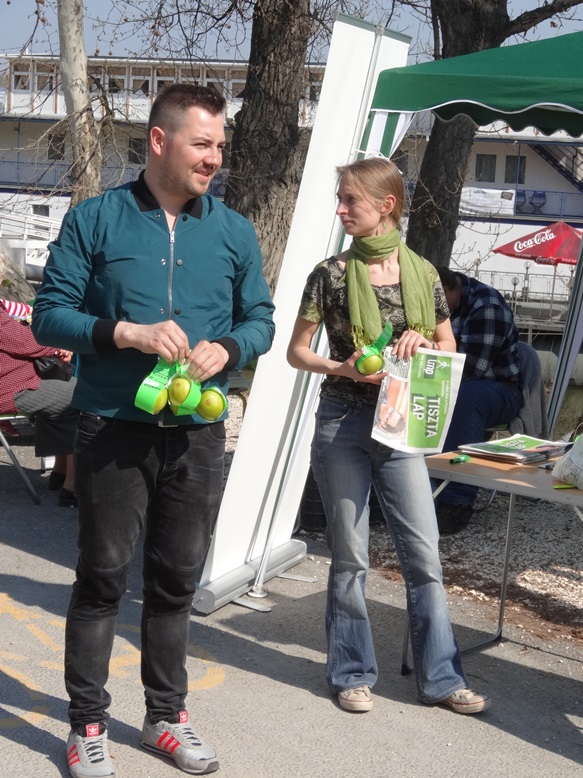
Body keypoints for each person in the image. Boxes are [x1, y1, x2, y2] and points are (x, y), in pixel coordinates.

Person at [32, 84, 275, 777]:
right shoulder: (95, 220)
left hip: (197, 435)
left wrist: (230, 348)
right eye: (203, 144)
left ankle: (166, 717)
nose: (214, 158)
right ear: (161, 142)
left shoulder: (233, 229)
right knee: (102, 578)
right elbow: (49, 315)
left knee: (174, 583)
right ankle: (87, 723)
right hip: (113, 428)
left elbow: (261, 317)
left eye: (220, 146)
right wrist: (123, 332)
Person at [287, 157, 490, 717]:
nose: (341, 209)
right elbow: (297, 352)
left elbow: (449, 350)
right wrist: (344, 369)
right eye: (340, 198)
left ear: (386, 205)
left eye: (351, 199)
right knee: (350, 557)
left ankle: (442, 679)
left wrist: (423, 346)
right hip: (342, 424)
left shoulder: (423, 273)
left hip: (400, 426)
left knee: (424, 556)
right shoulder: (328, 274)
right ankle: (351, 672)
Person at [435, 267, 522, 534]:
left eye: (436, 303)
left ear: (448, 289)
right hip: (455, 381)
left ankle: (457, 499)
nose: (433, 312)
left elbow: (470, 371)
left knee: (465, 397)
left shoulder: (487, 304)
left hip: (499, 389)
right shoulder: (446, 302)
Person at [0, 249, 77, 503]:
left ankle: (60, 472)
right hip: (9, 387)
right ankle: (71, 485)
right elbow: (22, 342)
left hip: (16, 381)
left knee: (58, 392)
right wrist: (58, 345)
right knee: (80, 396)